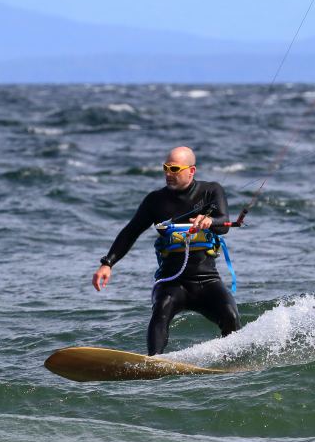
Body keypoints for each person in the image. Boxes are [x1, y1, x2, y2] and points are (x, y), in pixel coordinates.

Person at [92, 146, 241, 355]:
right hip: (172, 281)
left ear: (191, 171)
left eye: (174, 168)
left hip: (207, 279)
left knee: (230, 315)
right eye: (165, 168)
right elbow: (130, 232)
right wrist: (107, 263)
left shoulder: (211, 191)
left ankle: (232, 361)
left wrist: (209, 220)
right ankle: (154, 363)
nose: (168, 174)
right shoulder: (155, 201)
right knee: (160, 311)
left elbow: (223, 222)